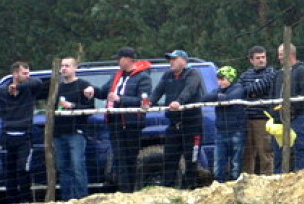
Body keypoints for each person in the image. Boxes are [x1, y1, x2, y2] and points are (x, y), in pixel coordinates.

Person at [0, 61, 48, 204]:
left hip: (25, 137)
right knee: (9, 173)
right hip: (7, 137)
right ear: (15, 74)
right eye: (24, 73)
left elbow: (38, 82)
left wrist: (17, 86)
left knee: (23, 170)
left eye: (28, 73)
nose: (28, 76)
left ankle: (25, 203)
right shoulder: (2, 91)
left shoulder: (29, 88)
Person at [89, 47, 153, 192]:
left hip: (132, 123)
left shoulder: (143, 77)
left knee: (130, 157)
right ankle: (124, 190)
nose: (117, 61)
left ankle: (132, 190)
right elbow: (103, 92)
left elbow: (143, 100)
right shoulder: (116, 76)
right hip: (115, 122)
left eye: (120, 58)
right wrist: (91, 89)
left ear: (128, 59)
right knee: (119, 157)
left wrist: (120, 99)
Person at [150, 50, 204, 189]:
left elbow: (190, 89)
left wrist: (179, 101)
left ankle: (190, 188)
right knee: (169, 157)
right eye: (170, 59)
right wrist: (148, 103)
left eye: (174, 59)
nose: (171, 62)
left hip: (192, 123)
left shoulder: (193, 73)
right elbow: (157, 92)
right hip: (174, 123)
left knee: (191, 158)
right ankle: (167, 188)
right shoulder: (167, 75)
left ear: (184, 61)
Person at [266, 43, 304, 172]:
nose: (279, 57)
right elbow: (272, 95)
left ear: (289, 54)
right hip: (279, 121)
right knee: (278, 152)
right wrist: (273, 113)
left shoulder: (302, 71)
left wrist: (292, 110)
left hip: (297, 118)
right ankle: (278, 177)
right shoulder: (278, 74)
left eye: (281, 54)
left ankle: (301, 176)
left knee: (300, 149)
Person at [53, 57, 94, 200]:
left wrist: (72, 106)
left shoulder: (84, 85)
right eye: (62, 66)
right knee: (63, 168)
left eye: (67, 65)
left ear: (75, 67)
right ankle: (67, 200)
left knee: (77, 166)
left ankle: (82, 199)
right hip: (58, 133)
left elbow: (91, 109)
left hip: (76, 132)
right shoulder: (57, 87)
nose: (64, 68)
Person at [238, 46, 275, 175]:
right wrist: (252, 91)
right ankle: (248, 178)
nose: (261, 60)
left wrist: (250, 90)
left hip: (263, 118)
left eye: (263, 57)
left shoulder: (271, 73)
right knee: (247, 153)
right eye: (258, 58)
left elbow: (260, 87)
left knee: (265, 151)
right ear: (251, 60)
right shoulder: (245, 75)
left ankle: (267, 178)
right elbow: (239, 91)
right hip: (247, 118)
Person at [206, 66, 246, 182]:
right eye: (218, 79)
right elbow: (205, 97)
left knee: (236, 164)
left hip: (236, 131)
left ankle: (235, 185)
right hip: (221, 131)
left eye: (223, 79)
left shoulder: (239, 88)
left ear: (230, 78)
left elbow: (230, 98)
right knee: (219, 163)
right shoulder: (218, 90)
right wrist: (218, 96)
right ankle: (219, 184)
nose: (220, 82)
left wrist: (219, 98)